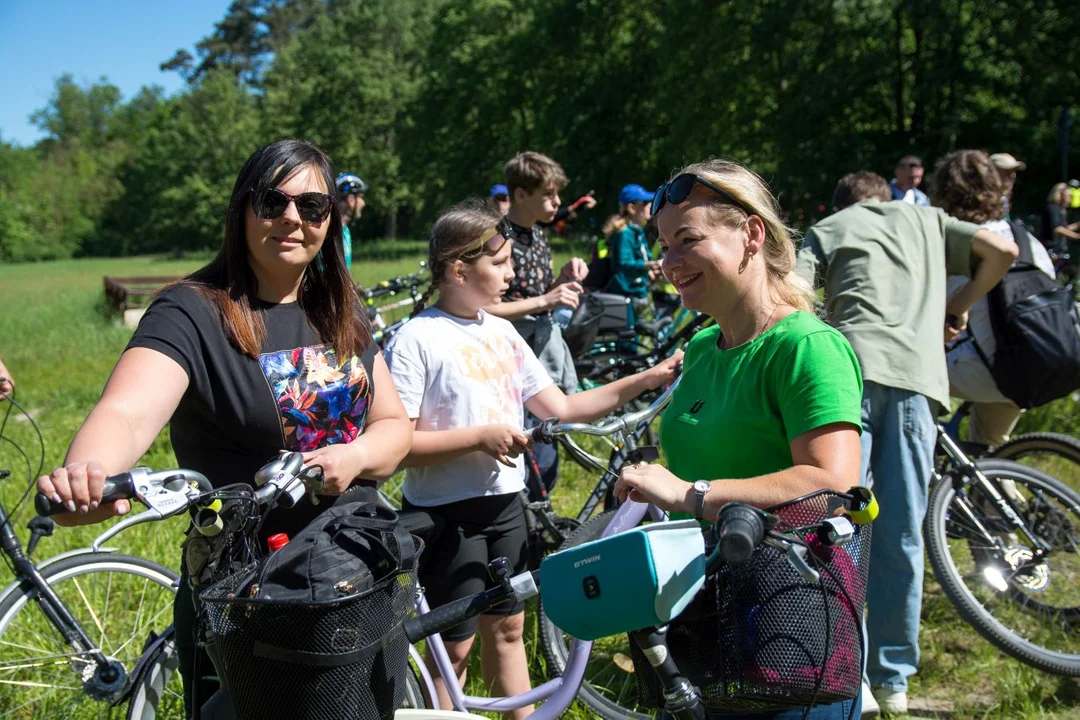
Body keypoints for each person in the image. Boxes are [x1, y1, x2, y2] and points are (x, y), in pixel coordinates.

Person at [36, 139, 413, 717]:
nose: (293, 218)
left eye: (312, 207)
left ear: (330, 220)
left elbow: (391, 425)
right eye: (272, 201)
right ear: (242, 211)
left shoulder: (340, 306)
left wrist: (355, 458)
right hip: (248, 597)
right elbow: (127, 411)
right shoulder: (193, 311)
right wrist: (90, 473)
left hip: (355, 578)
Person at [384, 203, 680, 719]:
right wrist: (479, 438)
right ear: (458, 269)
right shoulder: (416, 339)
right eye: (499, 264)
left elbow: (562, 406)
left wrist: (648, 378)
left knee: (510, 629)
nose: (512, 274)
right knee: (451, 651)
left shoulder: (500, 332)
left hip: (504, 507)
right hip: (447, 516)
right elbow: (397, 445)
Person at [612, 159, 865, 720]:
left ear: (752, 235)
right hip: (701, 615)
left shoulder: (805, 347)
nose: (669, 262)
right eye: (663, 244)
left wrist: (690, 495)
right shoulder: (703, 347)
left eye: (688, 240)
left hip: (788, 628)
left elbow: (831, 485)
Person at [797, 170, 1017, 715]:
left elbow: (794, 298)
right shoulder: (928, 221)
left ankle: (846, 672)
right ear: (888, 197)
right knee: (901, 532)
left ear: (841, 202)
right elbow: (1002, 249)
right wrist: (958, 303)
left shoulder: (828, 228)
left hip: (844, 379)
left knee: (835, 523)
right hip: (916, 384)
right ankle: (892, 678)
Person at [485, 150, 590, 490]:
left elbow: (538, 294)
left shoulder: (538, 234)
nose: (557, 202)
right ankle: (528, 509)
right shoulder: (497, 237)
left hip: (541, 345)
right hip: (510, 354)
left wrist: (562, 279)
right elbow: (486, 308)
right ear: (520, 195)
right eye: (548, 194)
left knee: (549, 432)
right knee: (528, 437)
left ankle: (541, 510)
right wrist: (547, 299)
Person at [938, 151, 1056, 446]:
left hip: (989, 369)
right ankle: (1000, 487)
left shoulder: (966, 243)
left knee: (902, 375)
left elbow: (939, 315)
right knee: (991, 449)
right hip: (1036, 364)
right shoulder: (1024, 237)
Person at [602, 183, 661, 325]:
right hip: (625, 294)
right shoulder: (625, 233)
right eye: (645, 203)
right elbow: (624, 263)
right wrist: (650, 265)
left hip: (637, 291)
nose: (649, 206)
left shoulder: (637, 232)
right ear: (632, 208)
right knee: (627, 338)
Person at [336, 171, 368, 271]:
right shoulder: (330, 233)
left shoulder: (344, 229)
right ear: (351, 199)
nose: (363, 203)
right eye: (361, 197)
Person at [1042, 182, 1080, 255]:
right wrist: (1076, 236)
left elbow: (1064, 228)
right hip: (1051, 248)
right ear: (1060, 195)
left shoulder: (1060, 210)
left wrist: (1077, 225)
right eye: (1069, 196)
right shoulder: (1052, 208)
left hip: (1059, 249)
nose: (1070, 199)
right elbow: (1057, 228)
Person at [988, 152, 1026, 220]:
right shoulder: (981, 199)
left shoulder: (1004, 198)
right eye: (1007, 171)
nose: (1013, 175)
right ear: (991, 173)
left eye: (1014, 171)